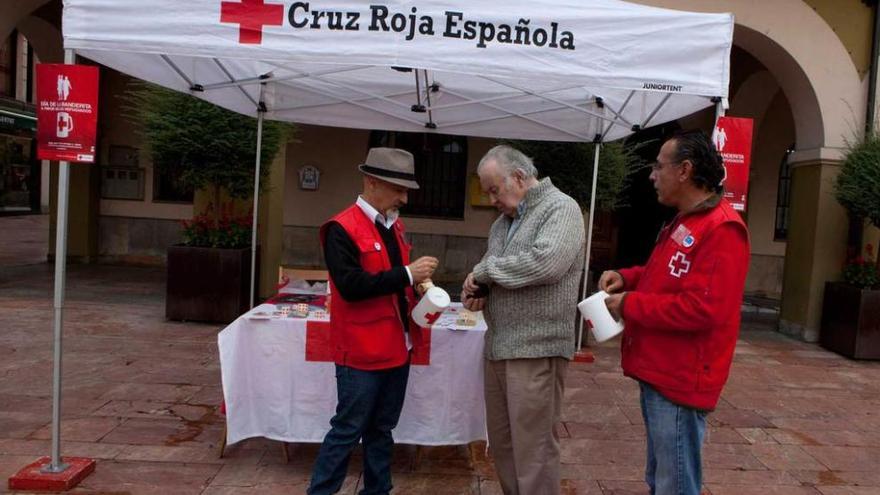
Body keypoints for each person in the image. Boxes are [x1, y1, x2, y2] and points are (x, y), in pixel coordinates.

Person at [599, 130, 750, 495]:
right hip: (661, 370)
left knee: (675, 485)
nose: (652, 175)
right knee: (660, 479)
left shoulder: (722, 229)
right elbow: (664, 276)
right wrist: (626, 277)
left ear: (684, 170)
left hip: (681, 378)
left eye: (658, 166)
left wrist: (629, 304)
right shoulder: (686, 219)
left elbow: (702, 308)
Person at [307, 147, 439, 495]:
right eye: (398, 189)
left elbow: (395, 282)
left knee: (382, 429)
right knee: (348, 429)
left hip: (398, 346)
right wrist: (408, 274)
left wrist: (421, 291)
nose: (404, 198)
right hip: (361, 350)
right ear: (371, 182)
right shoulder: (341, 228)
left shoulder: (394, 226)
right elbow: (350, 286)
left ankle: (378, 490)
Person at [461, 145, 585, 495]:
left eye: (494, 190)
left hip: (536, 348)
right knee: (503, 446)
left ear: (518, 177)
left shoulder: (561, 208)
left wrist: (484, 272)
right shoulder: (503, 223)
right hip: (499, 347)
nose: (491, 199)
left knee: (534, 452)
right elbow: (493, 271)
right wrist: (476, 290)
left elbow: (546, 262)